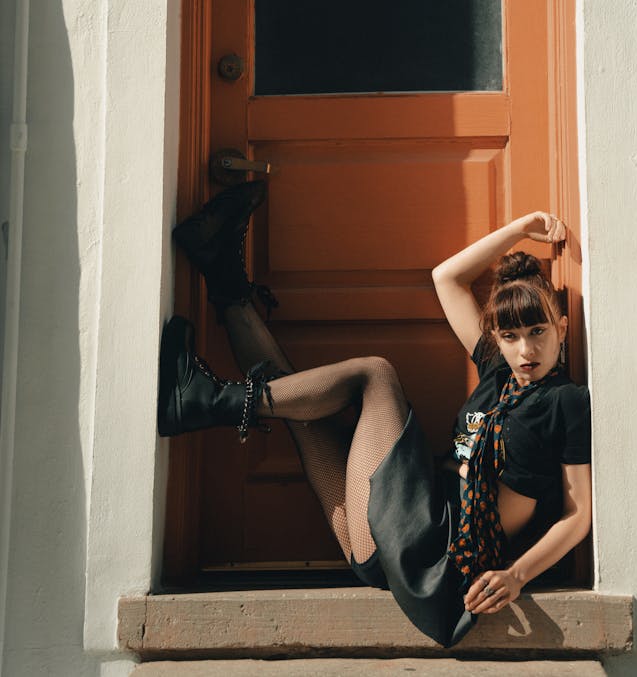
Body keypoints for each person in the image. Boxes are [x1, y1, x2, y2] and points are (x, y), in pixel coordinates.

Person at [158, 182, 591, 647]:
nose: (526, 349)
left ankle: (212, 400)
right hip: (384, 537)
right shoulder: (497, 369)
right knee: (304, 410)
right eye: (511, 336)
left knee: (374, 374)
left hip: (430, 548)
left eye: (538, 331)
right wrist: (521, 227)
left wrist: (516, 575)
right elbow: (446, 277)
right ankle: (223, 279)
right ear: (498, 338)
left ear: (562, 328)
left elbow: (577, 512)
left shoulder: (564, 401)